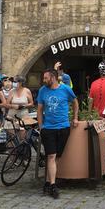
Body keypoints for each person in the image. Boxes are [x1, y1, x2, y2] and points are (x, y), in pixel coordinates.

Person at [37, 68, 79, 199]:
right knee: (51, 155)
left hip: (63, 127)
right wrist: (41, 126)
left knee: (56, 157)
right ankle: (53, 186)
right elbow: (39, 109)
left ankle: (48, 182)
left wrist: (75, 117)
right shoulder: (42, 91)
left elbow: (75, 102)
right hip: (48, 128)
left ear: (53, 78)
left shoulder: (65, 89)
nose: (44, 80)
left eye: (45, 78)